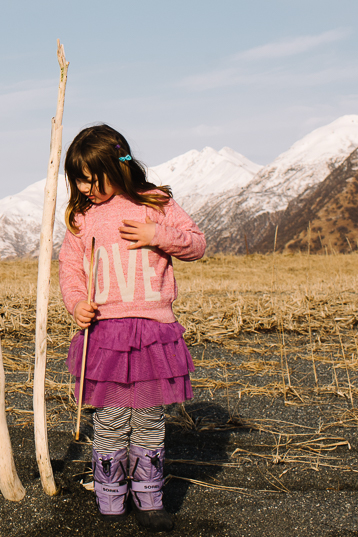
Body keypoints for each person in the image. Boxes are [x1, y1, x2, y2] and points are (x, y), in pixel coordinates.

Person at [59, 124, 206, 532]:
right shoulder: (81, 218)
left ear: (115, 165)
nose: (84, 187)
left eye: (91, 177)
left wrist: (157, 234)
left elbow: (197, 243)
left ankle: (150, 499)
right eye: (78, 180)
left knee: (148, 418)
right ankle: (110, 499)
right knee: (110, 419)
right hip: (105, 335)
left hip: (153, 332)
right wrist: (76, 303)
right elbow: (70, 269)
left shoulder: (155, 203)